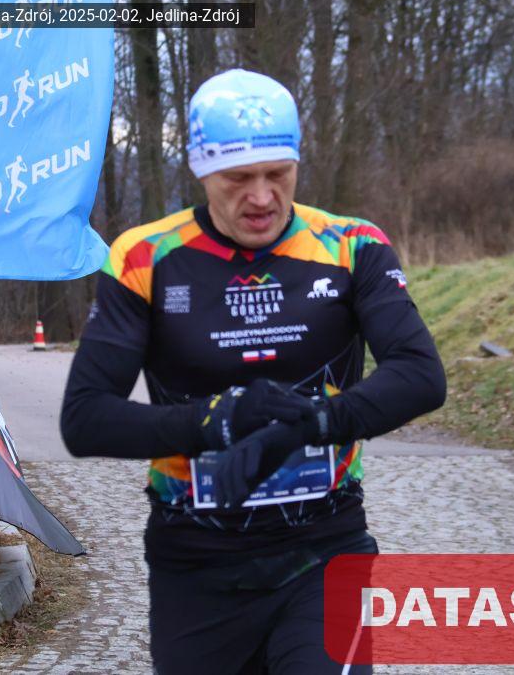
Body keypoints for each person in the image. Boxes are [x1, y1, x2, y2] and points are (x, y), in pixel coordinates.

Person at [60, 68, 446, 674]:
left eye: (277, 174)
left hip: (324, 548)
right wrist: (216, 422)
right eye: (238, 178)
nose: (262, 197)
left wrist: (314, 421)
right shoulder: (146, 256)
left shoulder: (353, 246)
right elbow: (85, 419)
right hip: (197, 562)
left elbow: (421, 375)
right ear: (200, 168)